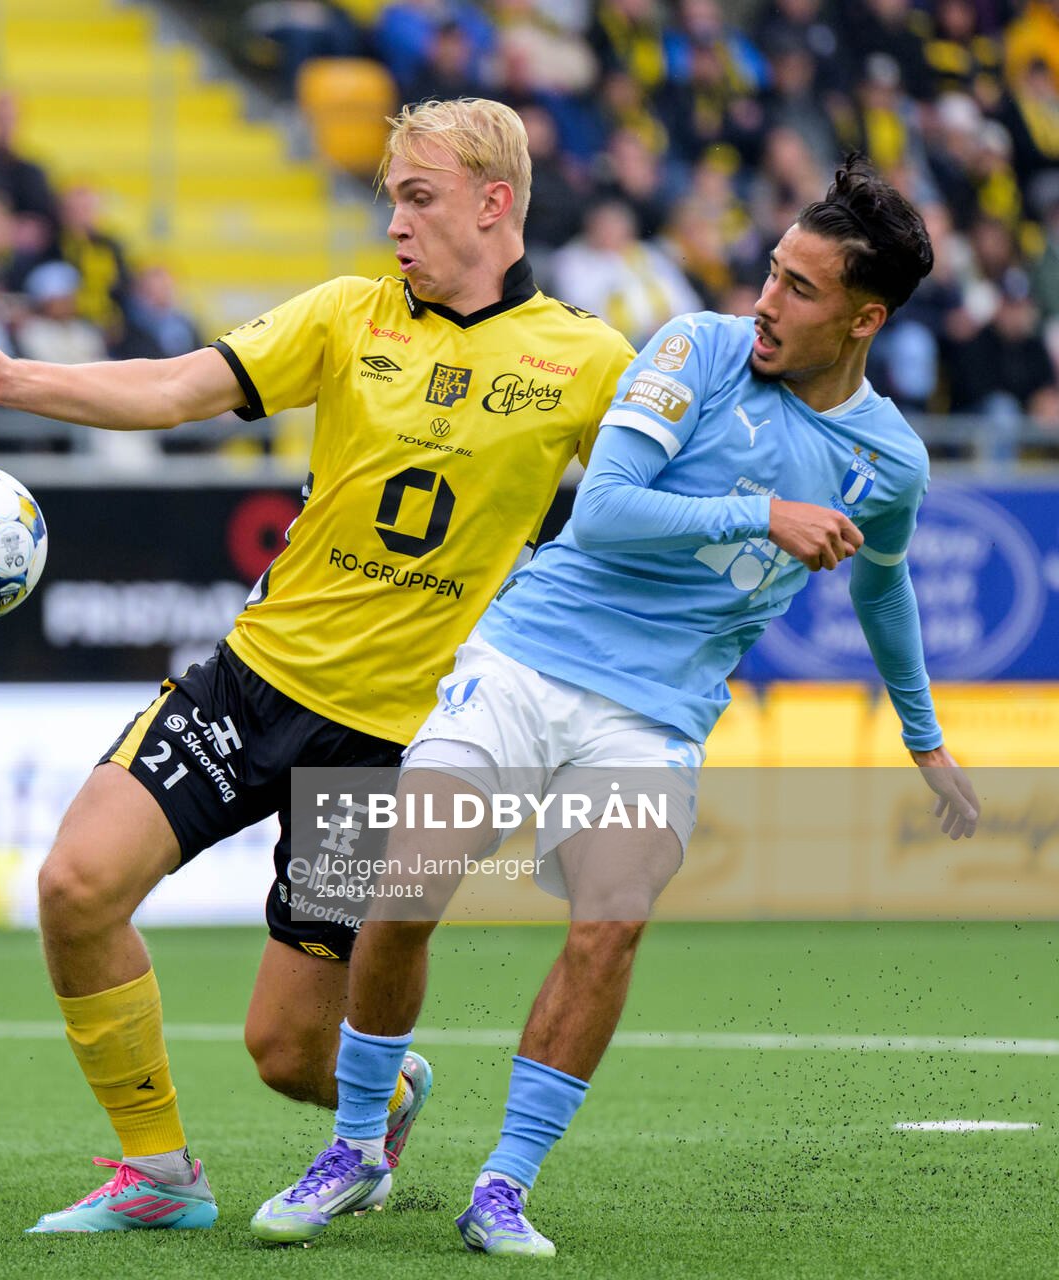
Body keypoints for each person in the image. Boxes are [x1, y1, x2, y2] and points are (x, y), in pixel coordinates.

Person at [0, 98, 638, 1233]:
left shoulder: (587, 359)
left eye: (419, 196)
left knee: (288, 1051)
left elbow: (641, 521)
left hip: (391, 745)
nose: (394, 221)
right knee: (74, 886)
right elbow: (172, 390)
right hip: (249, 684)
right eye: (389, 197)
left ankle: (385, 1087)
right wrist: (8, 380)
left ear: (496, 202)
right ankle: (158, 1172)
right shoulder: (350, 315)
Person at [273, 154, 982, 1255]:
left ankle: (504, 1184)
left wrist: (925, 736)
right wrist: (763, 513)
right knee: (404, 885)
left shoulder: (890, 459)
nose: (766, 298)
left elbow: (885, 588)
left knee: (610, 922)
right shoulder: (694, 347)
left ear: (863, 318)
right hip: (526, 657)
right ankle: (358, 1146)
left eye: (801, 288)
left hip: (652, 714)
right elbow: (601, 512)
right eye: (771, 270)